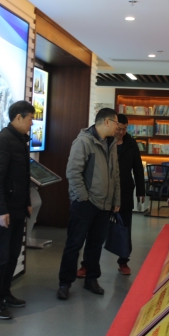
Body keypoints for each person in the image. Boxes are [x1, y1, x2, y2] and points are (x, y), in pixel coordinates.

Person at [57, 108, 121, 300]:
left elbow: (115, 174)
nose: (118, 127)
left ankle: (91, 279)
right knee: (74, 243)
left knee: (95, 244)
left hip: (104, 205)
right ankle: (65, 283)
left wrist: (116, 199)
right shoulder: (84, 141)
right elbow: (73, 172)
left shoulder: (112, 143)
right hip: (85, 203)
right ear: (107, 122)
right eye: (116, 123)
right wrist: (83, 198)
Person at [77, 114, 145, 278]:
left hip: (125, 192)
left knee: (124, 228)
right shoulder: (104, 141)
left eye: (124, 129)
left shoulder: (131, 144)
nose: (120, 132)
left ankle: (123, 261)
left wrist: (141, 191)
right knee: (95, 231)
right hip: (104, 192)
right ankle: (86, 264)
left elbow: (138, 168)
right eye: (118, 128)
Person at [0, 101, 34, 320]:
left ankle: (5, 294)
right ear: (18, 117)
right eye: (30, 118)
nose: (32, 123)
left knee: (13, 254)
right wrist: (0, 210)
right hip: (4, 212)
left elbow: (23, 176)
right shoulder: (3, 140)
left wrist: (27, 201)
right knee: (0, 257)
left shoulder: (21, 140)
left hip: (17, 209)